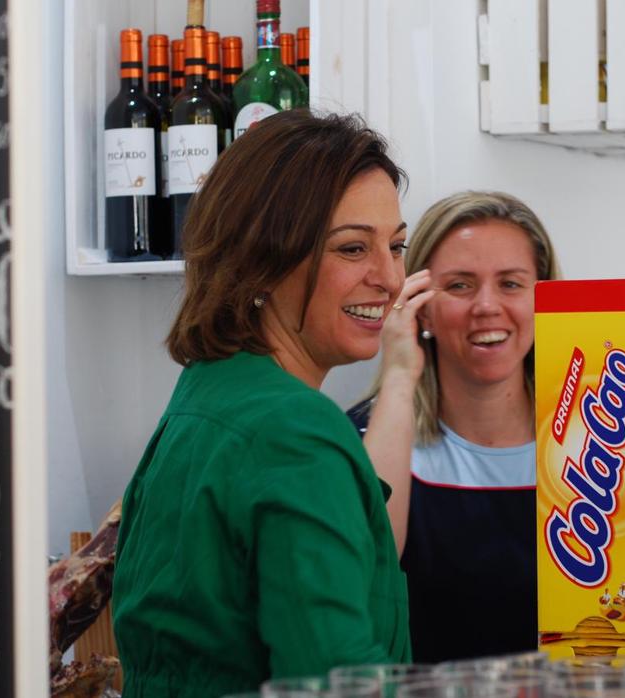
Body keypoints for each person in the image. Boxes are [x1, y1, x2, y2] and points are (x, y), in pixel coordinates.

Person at [112, 111, 425, 696]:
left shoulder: (207, 393)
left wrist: (403, 377)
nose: (389, 277)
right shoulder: (295, 431)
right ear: (262, 259)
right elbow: (338, 683)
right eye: (353, 248)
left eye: (397, 245)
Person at [354, 191, 561, 663]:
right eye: (461, 286)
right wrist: (400, 374)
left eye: (511, 284)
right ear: (420, 304)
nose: (487, 306)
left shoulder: (598, 441)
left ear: (546, 298)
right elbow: (364, 577)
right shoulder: (365, 439)